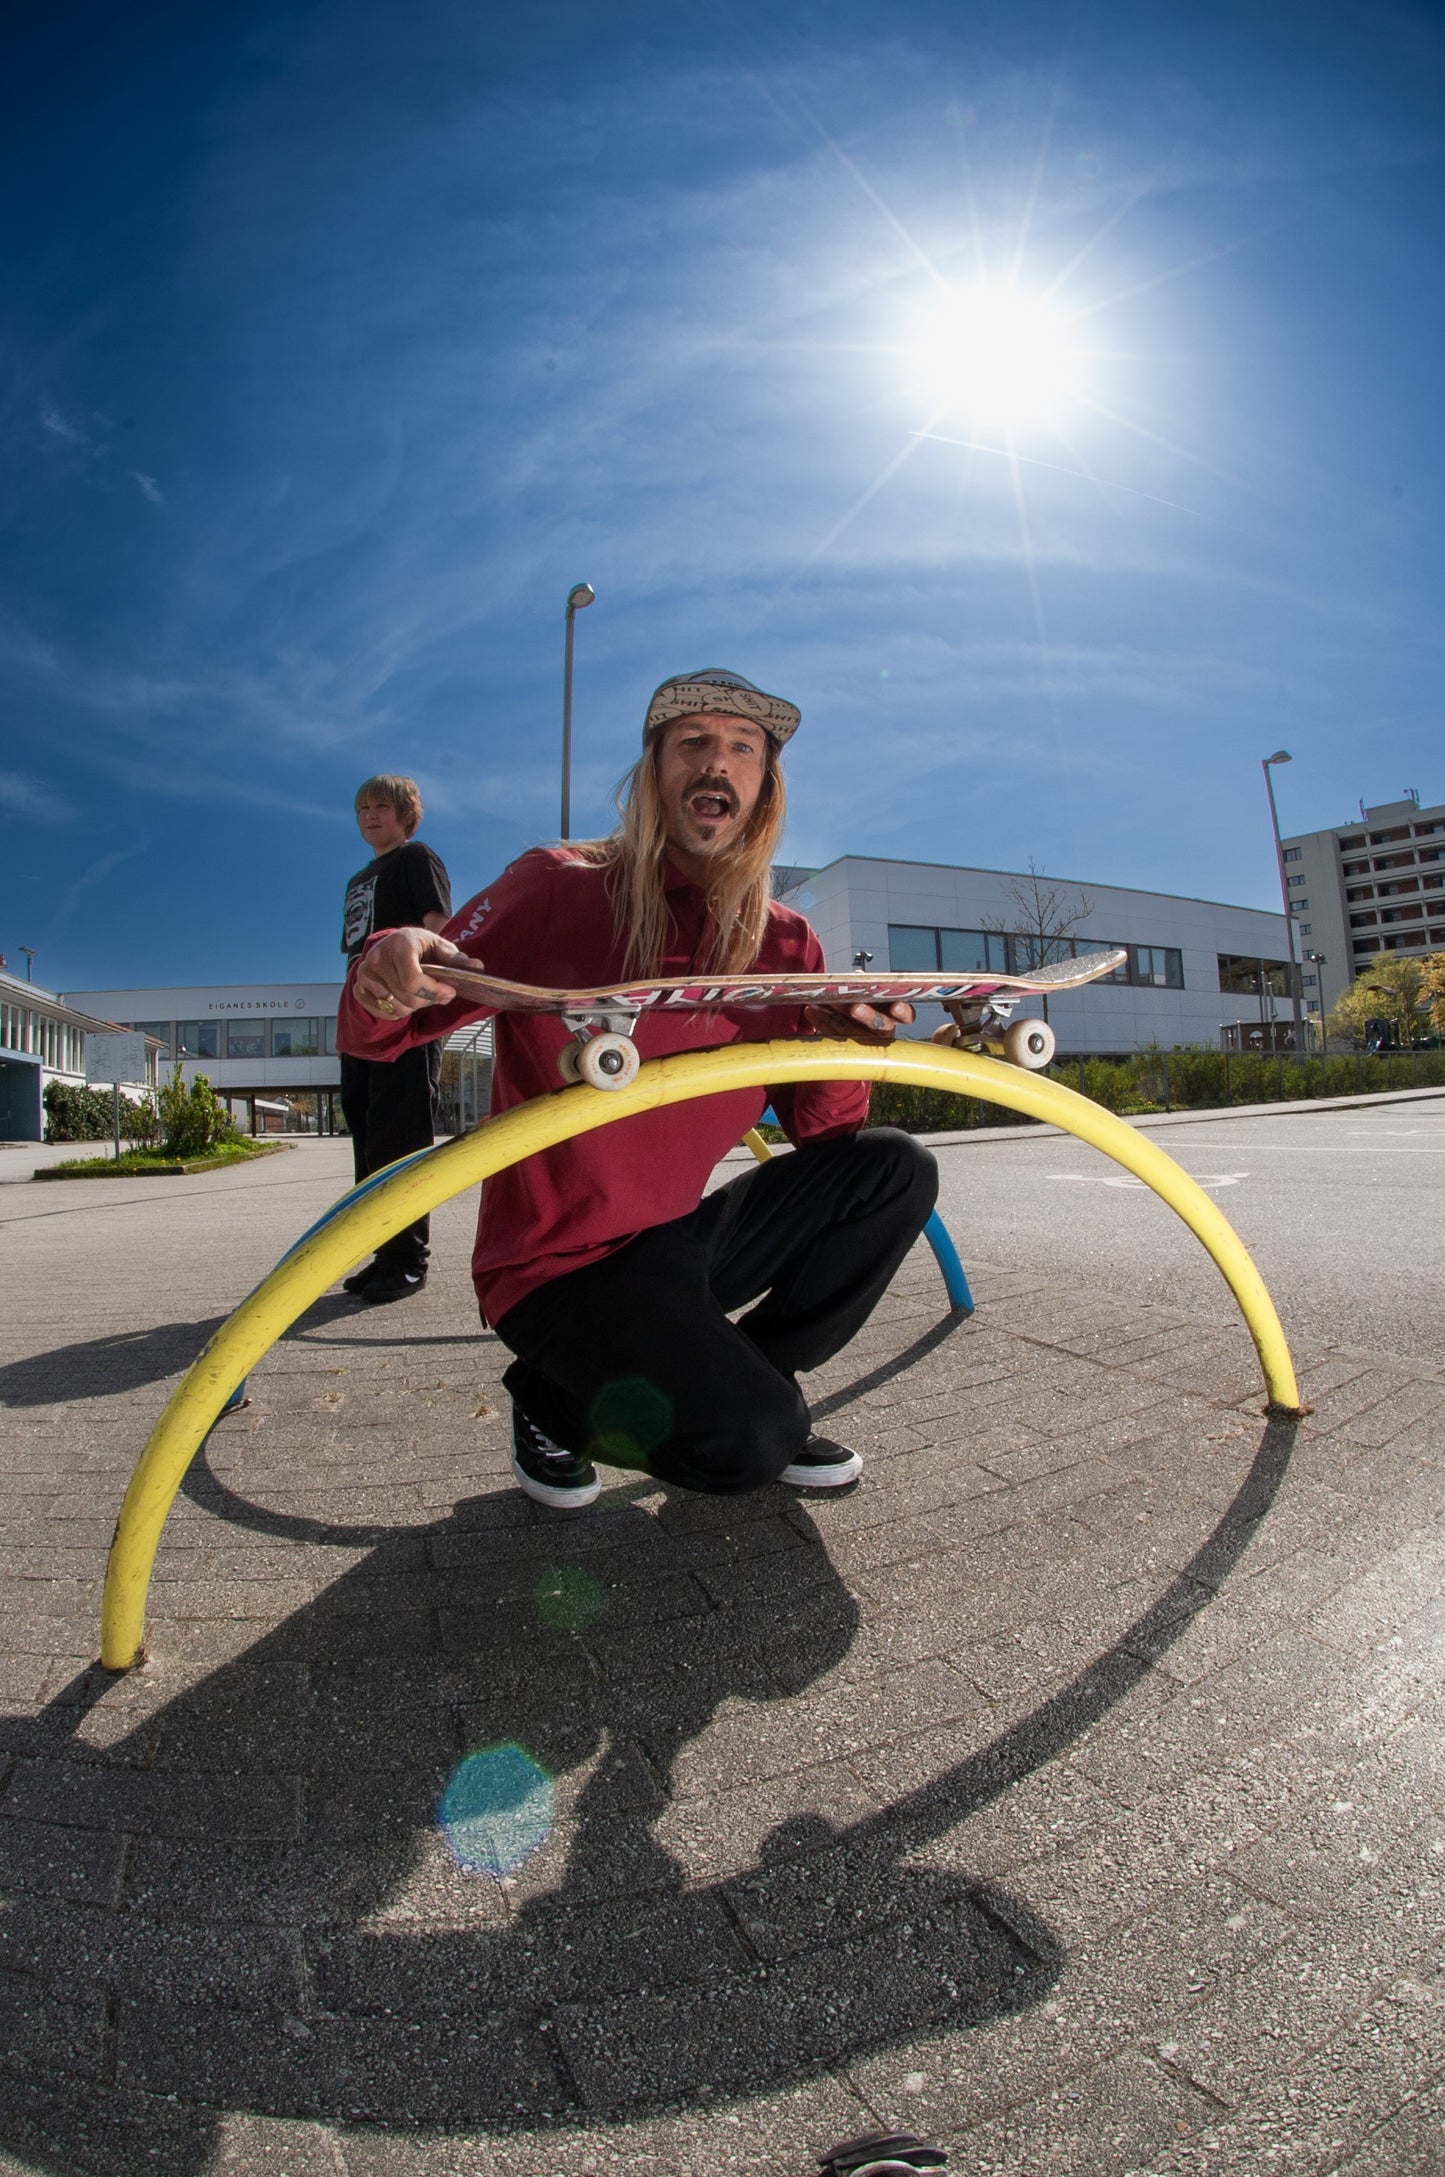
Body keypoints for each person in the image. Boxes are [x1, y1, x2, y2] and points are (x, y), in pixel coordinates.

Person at [336, 670, 938, 1502]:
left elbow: (825, 1137)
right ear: (653, 773)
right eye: (691, 744)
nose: (715, 765)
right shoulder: (558, 884)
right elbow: (386, 1027)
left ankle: (751, 1376)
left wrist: (841, 1041)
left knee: (893, 1166)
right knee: (747, 1444)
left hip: (678, 1240)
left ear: (762, 788)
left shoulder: (786, 942)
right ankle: (551, 1402)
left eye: (741, 749)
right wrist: (387, 962)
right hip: (556, 1267)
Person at [338, 774, 452, 1303]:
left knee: (400, 1129)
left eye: (382, 806)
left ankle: (409, 1260)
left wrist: (428, 1001)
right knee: (364, 1126)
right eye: (362, 808)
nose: (370, 815)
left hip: (405, 1010)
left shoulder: (416, 858)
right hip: (361, 1011)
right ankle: (382, 1251)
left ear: (406, 814)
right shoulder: (359, 878)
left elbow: (438, 930)